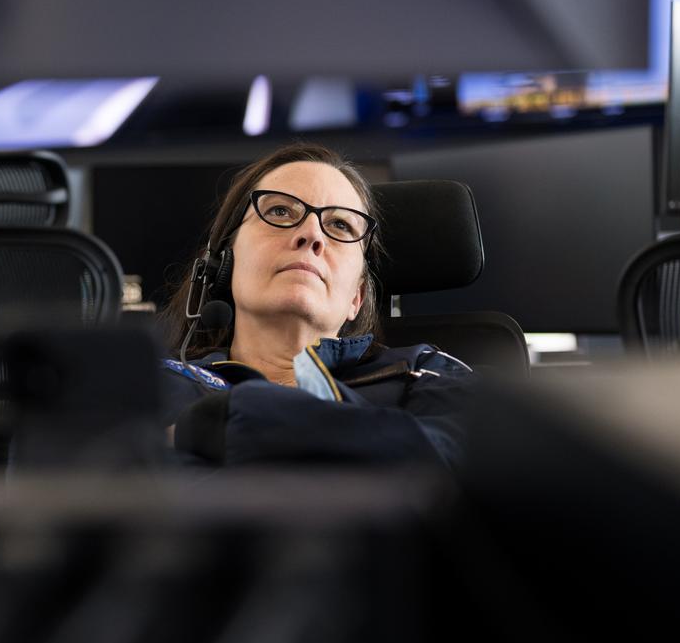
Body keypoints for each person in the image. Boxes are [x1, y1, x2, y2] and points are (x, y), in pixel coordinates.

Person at [157, 143, 473, 468]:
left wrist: (222, 426)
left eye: (340, 225)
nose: (311, 234)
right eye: (280, 211)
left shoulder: (422, 373)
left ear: (357, 297)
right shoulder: (156, 381)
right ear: (224, 264)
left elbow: (490, 462)